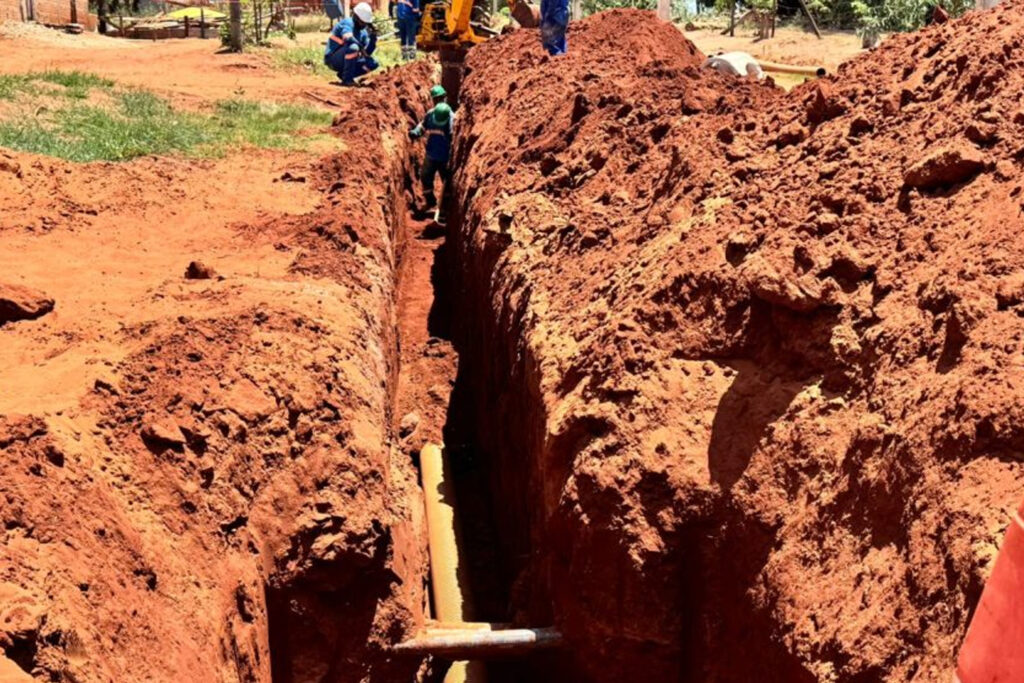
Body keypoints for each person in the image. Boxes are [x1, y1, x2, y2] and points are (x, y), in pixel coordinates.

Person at [409, 101, 454, 221]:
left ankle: (444, 209)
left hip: (445, 157)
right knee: (425, 176)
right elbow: (423, 125)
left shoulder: (452, 118)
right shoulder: (431, 115)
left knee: (447, 184)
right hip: (431, 153)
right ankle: (430, 201)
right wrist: (416, 132)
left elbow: (456, 139)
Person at [324, 2, 379, 86]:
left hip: (347, 59)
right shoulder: (348, 23)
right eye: (363, 22)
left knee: (372, 63)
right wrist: (361, 48)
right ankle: (347, 80)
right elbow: (348, 37)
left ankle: (345, 75)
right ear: (356, 17)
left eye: (366, 23)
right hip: (333, 59)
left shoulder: (363, 32)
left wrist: (373, 39)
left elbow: (366, 53)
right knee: (354, 47)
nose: (364, 25)